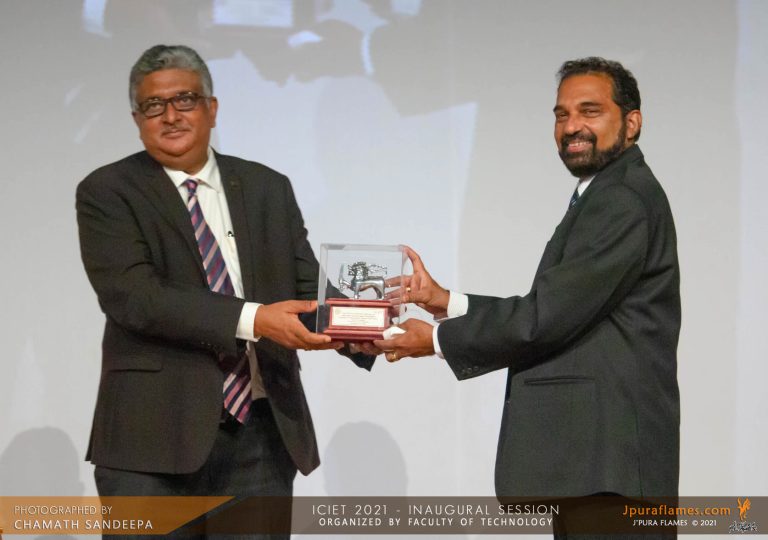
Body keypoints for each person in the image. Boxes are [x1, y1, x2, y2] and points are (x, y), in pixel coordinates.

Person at [76, 44, 373, 537]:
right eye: (154, 105)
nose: (171, 115)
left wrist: (366, 330)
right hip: (150, 445)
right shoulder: (108, 191)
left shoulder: (265, 186)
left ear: (211, 109)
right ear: (136, 119)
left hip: (260, 439)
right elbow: (136, 298)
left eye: (185, 99)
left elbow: (306, 287)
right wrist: (254, 319)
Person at [376, 57, 680, 537]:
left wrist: (434, 340)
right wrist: (447, 302)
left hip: (609, 470)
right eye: (561, 114)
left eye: (590, 111)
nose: (571, 126)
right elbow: (558, 307)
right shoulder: (605, 192)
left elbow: (545, 318)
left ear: (632, 122)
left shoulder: (621, 199)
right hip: (597, 470)